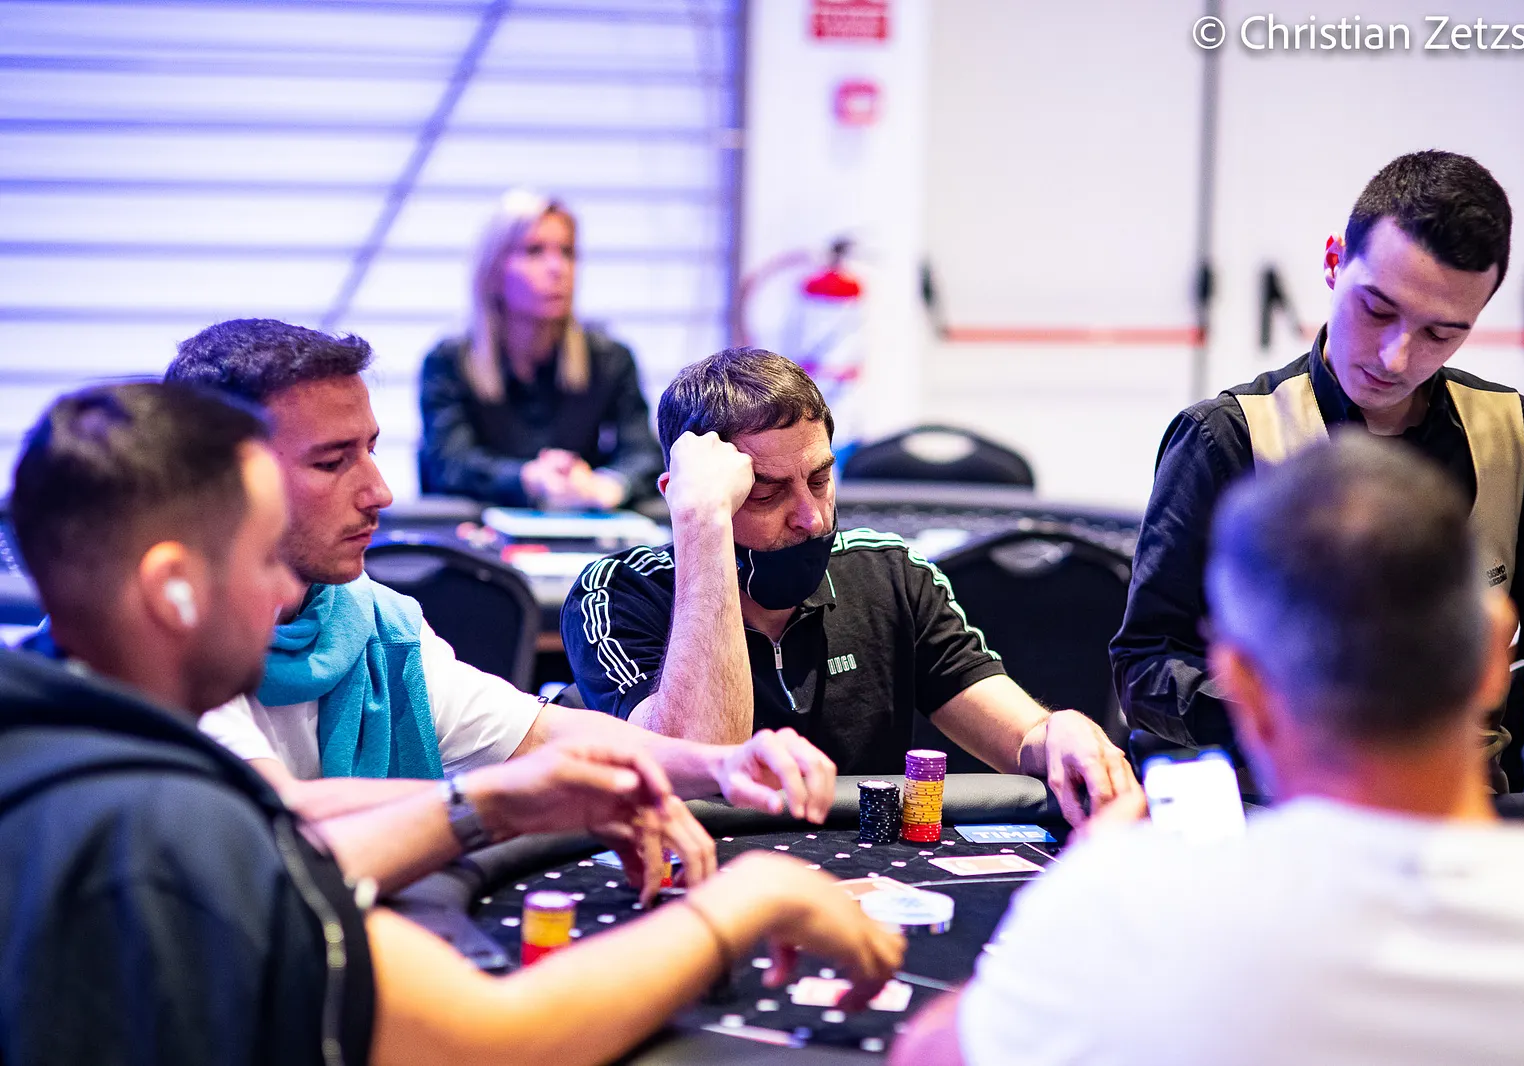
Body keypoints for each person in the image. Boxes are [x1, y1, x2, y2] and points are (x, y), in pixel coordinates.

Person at [0, 381, 903, 1066]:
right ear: (171, 589)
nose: (284, 590)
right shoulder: (164, 833)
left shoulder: (48, 745)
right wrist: (752, 899)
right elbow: (502, 1037)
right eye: (260, 556)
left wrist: (529, 796)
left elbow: (534, 742)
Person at [891, 433, 1524, 1066]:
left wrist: (1074, 900)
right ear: (1492, 652)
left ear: (1243, 686)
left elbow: (927, 1056)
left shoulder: (1122, 913)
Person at [164, 320, 837, 879]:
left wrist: (722, 763)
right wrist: (512, 800)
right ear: (228, 480)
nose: (379, 492)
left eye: (370, 450)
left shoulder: (369, 621)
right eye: (331, 462)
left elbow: (552, 735)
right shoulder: (165, 642)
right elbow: (275, 820)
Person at [1109, 149, 1524, 792]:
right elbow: (1147, 664)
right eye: (1378, 310)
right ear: (1334, 261)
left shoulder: (1519, 437)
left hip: (1461, 808)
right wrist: (1307, 718)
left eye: (1440, 334)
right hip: (1269, 806)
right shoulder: (1225, 438)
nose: (1397, 357)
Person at [561, 346, 1136, 823]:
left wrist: (1061, 733)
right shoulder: (616, 596)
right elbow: (700, 762)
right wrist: (703, 526)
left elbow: (1024, 737)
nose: (811, 517)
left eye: (819, 480)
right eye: (765, 493)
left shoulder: (889, 573)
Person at [418, 189, 663, 509]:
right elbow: (450, 465)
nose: (557, 268)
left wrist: (607, 485)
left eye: (567, 252)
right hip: (478, 530)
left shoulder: (610, 358)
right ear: (494, 270)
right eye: (534, 251)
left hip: (581, 525)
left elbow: (644, 453)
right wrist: (529, 478)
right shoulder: (449, 362)